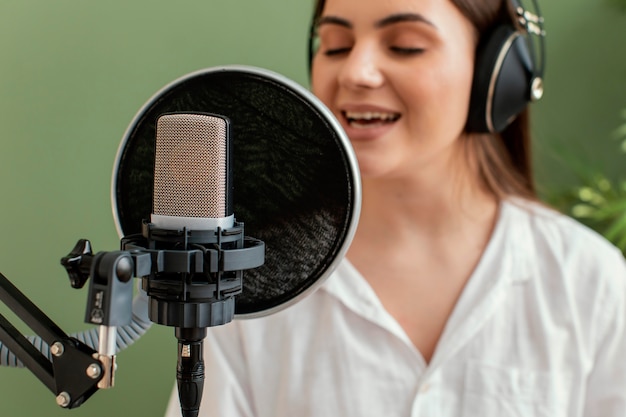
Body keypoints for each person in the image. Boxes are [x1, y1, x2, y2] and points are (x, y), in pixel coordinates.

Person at [165, 0, 626, 415]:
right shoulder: (248, 282)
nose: (356, 73)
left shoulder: (590, 281)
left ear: (496, 74)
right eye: (337, 45)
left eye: (405, 46)